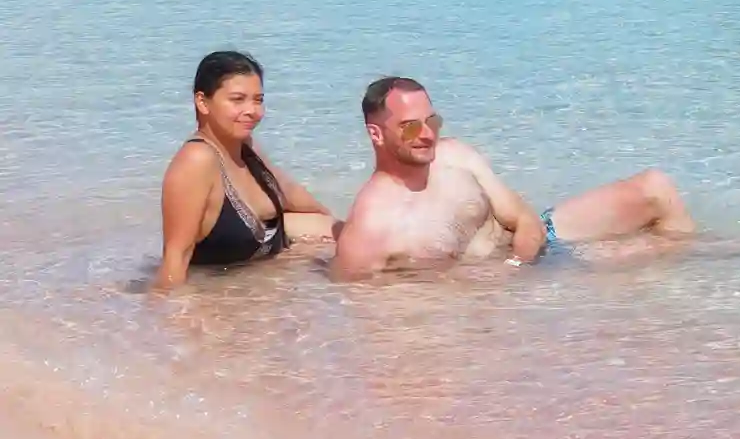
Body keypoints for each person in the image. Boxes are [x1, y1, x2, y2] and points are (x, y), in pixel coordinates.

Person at [331, 76, 692, 280]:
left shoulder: (455, 155)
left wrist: (518, 268)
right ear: (377, 135)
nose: (427, 134)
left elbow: (524, 219)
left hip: (543, 246)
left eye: (432, 122)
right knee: (697, 256)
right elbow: (374, 326)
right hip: (518, 290)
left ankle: (695, 289)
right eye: (410, 128)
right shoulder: (370, 231)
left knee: (656, 188)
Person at [155, 50, 337, 289]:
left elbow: (290, 193)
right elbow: (176, 256)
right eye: (238, 99)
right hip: (225, 294)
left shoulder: (245, 147)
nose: (253, 111)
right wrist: (166, 317)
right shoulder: (197, 161)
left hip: (268, 278)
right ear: (202, 102)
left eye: (258, 100)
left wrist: (340, 229)